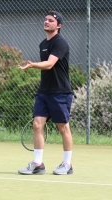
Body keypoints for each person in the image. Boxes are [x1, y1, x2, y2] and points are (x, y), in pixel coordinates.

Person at [17, 10, 73, 175]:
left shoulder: (60, 43)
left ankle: (67, 164)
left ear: (58, 25)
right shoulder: (43, 44)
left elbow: (49, 64)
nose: (46, 22)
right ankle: (38, 164)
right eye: (45, 20)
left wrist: (32, 65)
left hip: (60, 92)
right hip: (44, 92)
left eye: (50, 20)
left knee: (63, 128)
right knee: (37, 124)